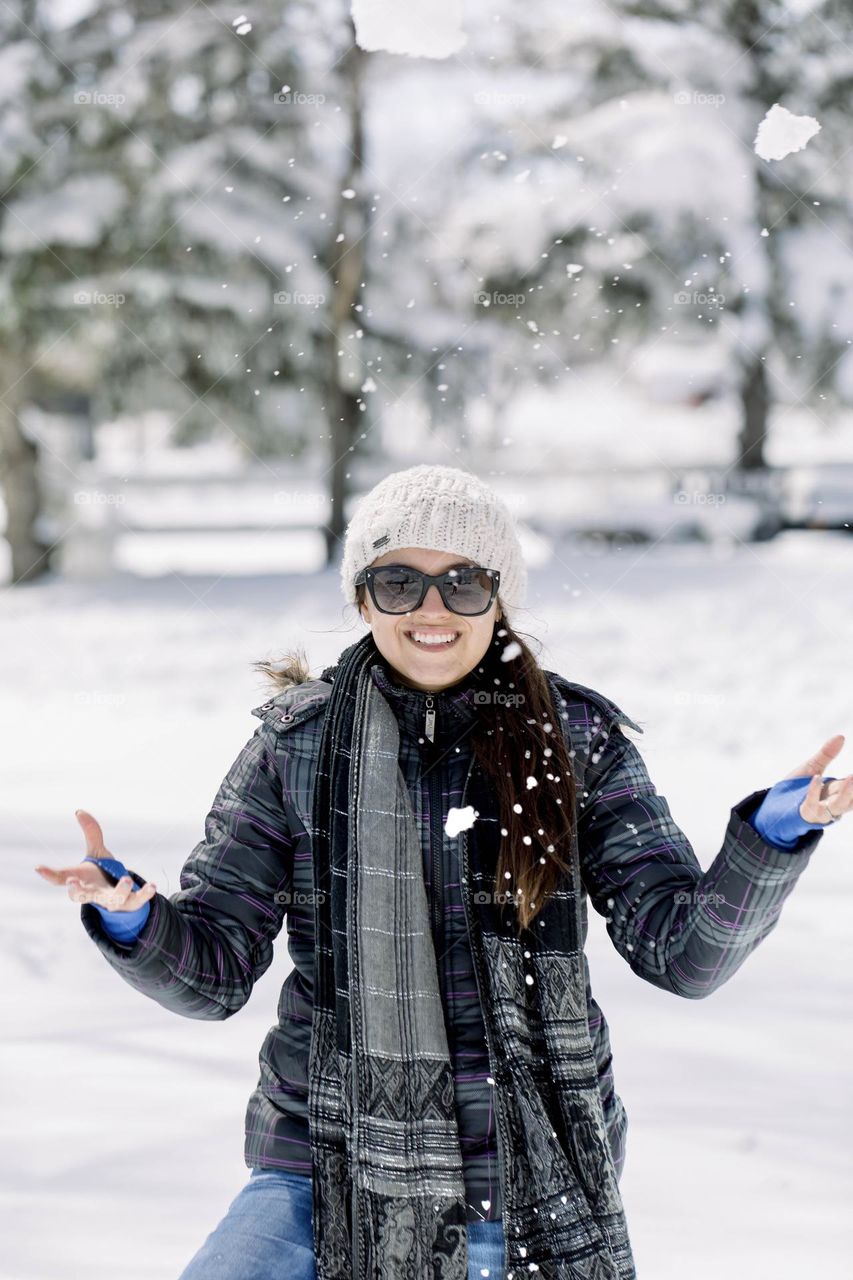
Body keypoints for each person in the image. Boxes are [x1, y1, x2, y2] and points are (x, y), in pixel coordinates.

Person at [35, 463, 851, 1280]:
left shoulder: (576, 741)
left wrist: (770, 840)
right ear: (362, 599)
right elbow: (214, 972)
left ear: (499, 601)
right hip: (321, 1164)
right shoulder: (297, 747)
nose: (431, 609)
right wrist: (133, 920)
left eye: (463, 583)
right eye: (399, 582)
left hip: (521, 1171)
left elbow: (683, 953)